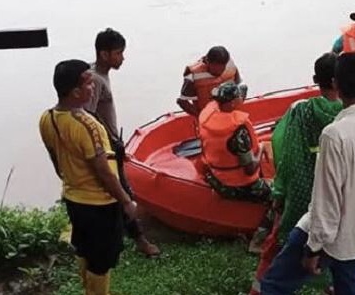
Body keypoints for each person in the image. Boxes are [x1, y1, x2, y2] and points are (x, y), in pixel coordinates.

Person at [259, 53, 355, 295]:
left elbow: (326, 200)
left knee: (273, 285)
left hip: (331, 234)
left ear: (335, 84)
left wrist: (313, 248)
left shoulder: (334, 135)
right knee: (348, 287)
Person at [39, 60, 137, 295]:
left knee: (84, 248)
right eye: (89, 85)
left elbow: (56, 160)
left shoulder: (48, 118)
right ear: (75, 92)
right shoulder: (88, 125)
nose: (93, 88)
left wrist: (72, 180)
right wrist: (125, 201)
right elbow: (103, 170)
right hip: (99, 204)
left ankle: (87, 288)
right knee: (102, 260)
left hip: (74, 198)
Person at [249, 53, 343, 295]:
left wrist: (279, 192)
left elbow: (287, 153)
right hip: (335, 194)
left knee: (278, 244)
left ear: (315, 79)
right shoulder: (348, 114)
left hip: (301, 191)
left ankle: (261, 289)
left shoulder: (301, 111)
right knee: (336, 249)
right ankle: (332, 286)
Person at [83, 28, 160, 258]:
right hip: (106, 148)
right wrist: (112, 143)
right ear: (104, 54)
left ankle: (125, 235)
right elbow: (88, 116)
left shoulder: (95, 73)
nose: (122, 58)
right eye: (118, 53)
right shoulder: (95, 80)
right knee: (122, 192)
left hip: (110, 144)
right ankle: (141, 241)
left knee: (118, 192)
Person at [199, 82, 271, 202]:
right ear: (233, 102)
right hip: (239, 185)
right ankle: (270, 218)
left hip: (217, 178)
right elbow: (250, 169)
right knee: (278, 193)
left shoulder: (206, 120)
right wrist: (262, 147)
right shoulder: (238, 131)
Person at [177, 46, 242, 116]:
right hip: (207, 120)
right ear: (208, 61)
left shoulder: (231, 65)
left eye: (222, 69)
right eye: (215, 69)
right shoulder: (193, 74)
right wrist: (201, 116)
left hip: (230, 116)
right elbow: (182, 101)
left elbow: (239, 86)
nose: (219, 73)